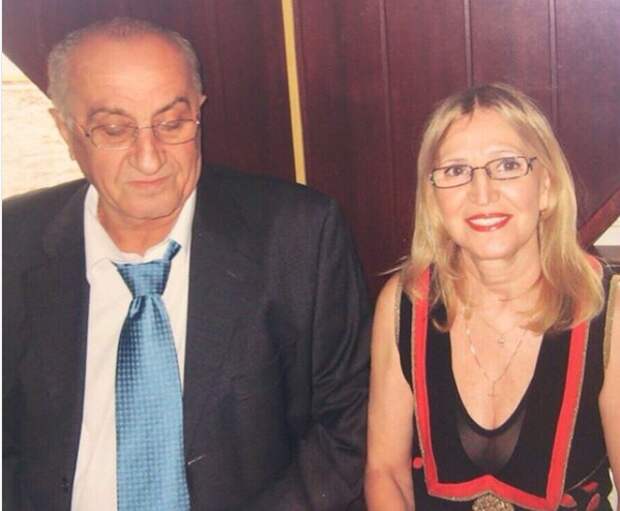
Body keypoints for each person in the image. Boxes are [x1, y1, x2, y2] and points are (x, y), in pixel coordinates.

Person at [3, 17, 371, 510]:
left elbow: (348, 425)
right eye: (114, 129)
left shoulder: (297, 237)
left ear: (199, 111)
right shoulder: (12, 242)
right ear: (66, 130)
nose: (149, 158)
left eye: (172, 124)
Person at [365, 83, 619, 510]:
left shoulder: (608, 309)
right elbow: (385, 472)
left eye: (506, 165)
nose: (481, 193)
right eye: (455, 171)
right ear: (433, 198)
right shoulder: (403, 303)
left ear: (546, 186)